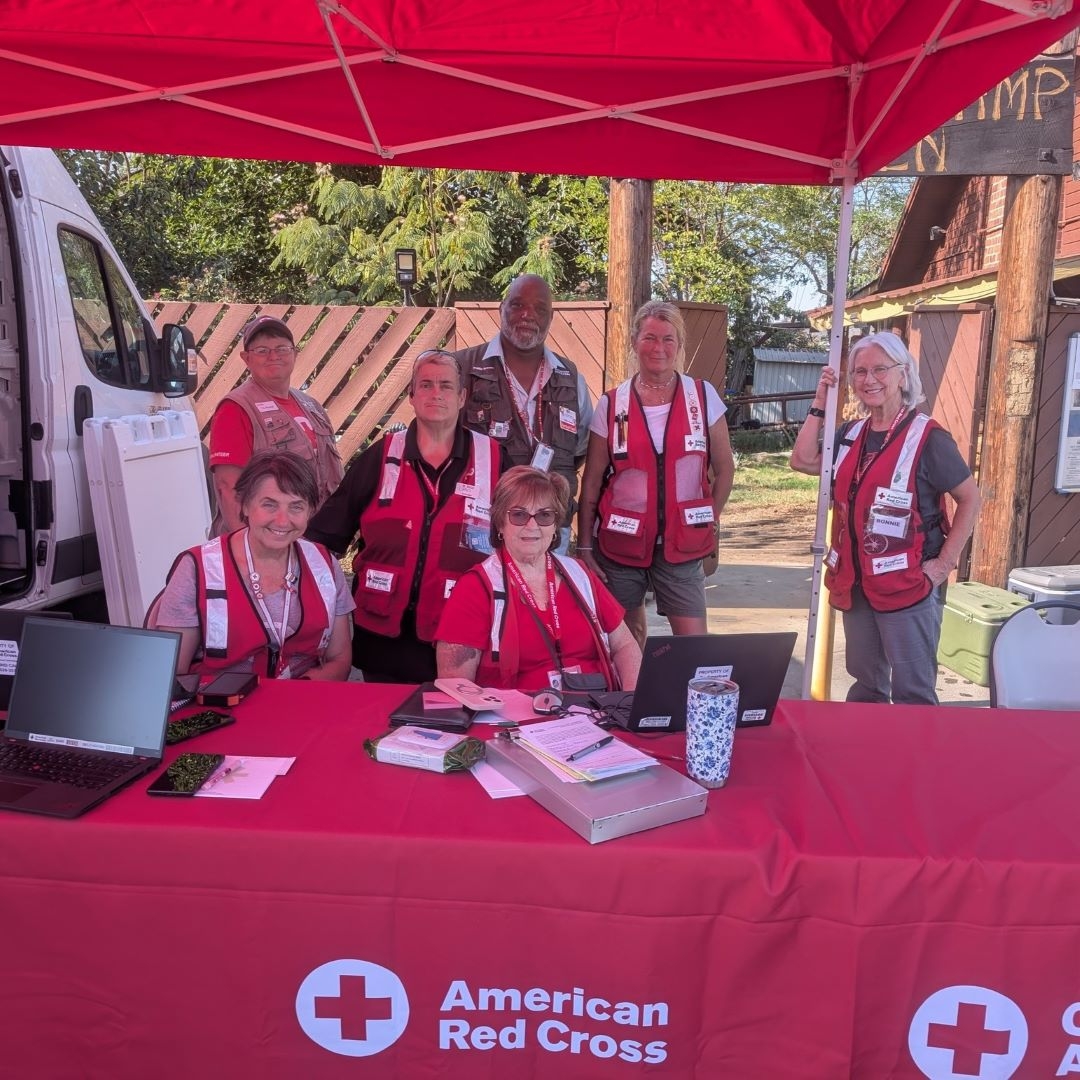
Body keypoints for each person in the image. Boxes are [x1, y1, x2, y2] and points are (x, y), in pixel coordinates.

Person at [789, 331, 982, 705]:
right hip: (857, 583)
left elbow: (969, 498)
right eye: (859, 372)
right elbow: (802, 460)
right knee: (866, 685)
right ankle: (869, 757)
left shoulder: (928, 437)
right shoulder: (849, 434)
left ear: (902, 375)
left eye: (880, 369)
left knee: (913, 691)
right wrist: (819, 403)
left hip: (909, 583)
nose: (869, 379)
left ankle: (915, 761)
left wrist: (943, 565)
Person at [306, 350, 508, 683]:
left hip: (461, 642)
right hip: (383, 644)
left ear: (461, 398)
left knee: (452, 732)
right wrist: (328, 614)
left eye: (445, 385)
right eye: (425, 385)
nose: (435, 393)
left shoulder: (495, 460)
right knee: (379, 732)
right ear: (412, 397)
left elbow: (519, 544)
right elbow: (322, 540)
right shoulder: (381, 457)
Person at [576, 301, 735, 646]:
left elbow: (724, 468)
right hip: (620, 545)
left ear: (679, 345)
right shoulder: (612, 403)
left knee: (693, 646)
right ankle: (630, 701)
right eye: (649, 338)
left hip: (683, 545)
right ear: (634, 341)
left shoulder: (702, 396)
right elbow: (592, 482)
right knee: (626, 642)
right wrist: (585, 546)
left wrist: (711, 518)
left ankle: (679, 701)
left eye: (668, 339)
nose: (658, 348)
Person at [435, 466, 641, 692]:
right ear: (500, 524)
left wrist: (630, 702)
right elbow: (456, 686)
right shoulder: (476, 587)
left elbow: (624, 645)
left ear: (555, 527)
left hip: (596, 712)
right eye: (519, 515)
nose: (532, 525)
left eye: (544, 515)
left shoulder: (579, 573)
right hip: (517, 721)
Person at [153, 451, 353, 680]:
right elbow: (170, 674)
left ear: (310, 511)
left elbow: (340, 660)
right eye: (269, 505)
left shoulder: (324, 564)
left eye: (296, 507)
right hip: (221, 705)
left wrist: (289, 699)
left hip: (300, 700)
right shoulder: (197, 569)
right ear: (245, 505)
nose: (282, 521)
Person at [454, 274, 593, 551]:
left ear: (551, 317)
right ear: (501, 309)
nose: (528, 315)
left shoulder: (570, 378)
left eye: (540, 309)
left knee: (545, 595)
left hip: (549, 531)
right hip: (483, 530)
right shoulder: (462, 368)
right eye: (517, 305)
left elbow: (579, 449)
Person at [209, 315, 343, 535]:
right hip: (265, 545)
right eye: (262, 350)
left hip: (310, 541)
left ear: (294, 354)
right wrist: (247, 553)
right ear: (246, 358)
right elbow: (228, 487)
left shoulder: (312, 407)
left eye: (281, 348)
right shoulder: (236, 408)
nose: (273, 356)